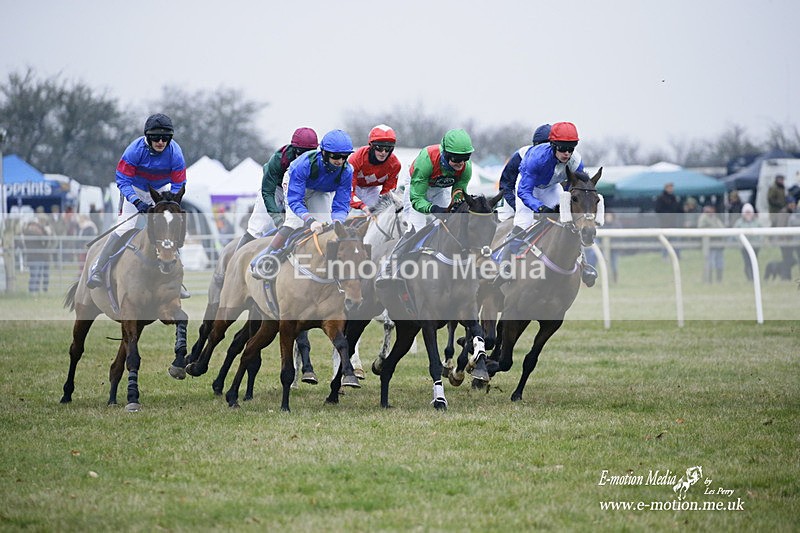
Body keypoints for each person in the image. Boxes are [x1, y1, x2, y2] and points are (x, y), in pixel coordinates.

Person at [86, 113, 186, 289]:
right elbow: (122, 180)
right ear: (148, 137)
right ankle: (98, 269)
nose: (161, 142)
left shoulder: (175, 153)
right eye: (156, 137)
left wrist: (172, 201)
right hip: (135, 190)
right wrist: (136, 201)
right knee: (125, 227)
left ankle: (177, 281)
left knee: (169, 229)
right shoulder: (134, 151)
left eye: (165, 138)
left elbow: (179, 182)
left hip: (161, 191)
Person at [250, 129, 355, 279]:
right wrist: (309, 220)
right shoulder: (304, 164)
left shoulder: (347, 171)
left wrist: (338, 222)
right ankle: (265, 258)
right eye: (336, 156)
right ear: (324, 153)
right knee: (295, 223)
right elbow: (295, 200)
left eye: (345, 156)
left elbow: (341, 205)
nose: (340, 161)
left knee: (327, 225)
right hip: (295, 185)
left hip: (319, 190)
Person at [506, 121, 596, 286]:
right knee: (524, 222)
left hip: (551, 187)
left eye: (571, 148)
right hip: (528, 187)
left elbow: (576, 188)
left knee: (568, 220)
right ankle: (506, 264)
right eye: (562, 148)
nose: (566, 153)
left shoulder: (576, 162)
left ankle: (584, 264)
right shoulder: (536, 159)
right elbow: (524, 192)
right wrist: (540, 208)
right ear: (553, 145)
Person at [234, 127, 319, 252]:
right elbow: (267, 192)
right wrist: (277, 219)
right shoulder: (278, 160)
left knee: (309, 225)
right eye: (302, 153)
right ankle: (235, 261)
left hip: (300, 190)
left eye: (310, 153)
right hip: (276, 190)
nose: (305, 158)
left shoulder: (320, 161)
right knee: (257, 228)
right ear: (294, 149)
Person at [402, 128, 474, 232]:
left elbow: (458, 196)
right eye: (456, 158)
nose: (461, 163)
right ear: (445, 154)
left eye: (466, 157)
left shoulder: (466, 168)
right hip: (416, 187)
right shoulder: (427, 160)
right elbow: (417, 199)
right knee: (416, 229)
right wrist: (433, 208)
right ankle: (401, 247)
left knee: (448, 227)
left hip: (440, 189)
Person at [498, 123, 551, 221]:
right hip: (513, 197)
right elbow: (505, 187)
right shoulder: (520, 156)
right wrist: (517, 206)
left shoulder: (559, 158)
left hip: (538, 194)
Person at [349, 124, 401, 215]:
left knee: (381, 213)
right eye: (379, 148)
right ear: (371, 146)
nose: (383, 153)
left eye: (388, 149)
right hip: (354, 188)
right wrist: (362, 206)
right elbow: (347, 192)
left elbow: (386, 194)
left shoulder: (395, 165)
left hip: (371, 190)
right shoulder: (356, 159)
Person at [733, 203, 765, 281]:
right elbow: (735, 234)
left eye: (749, 212)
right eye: (746, 212)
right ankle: (750, 278)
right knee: (747, 262)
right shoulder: (739, 222)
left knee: (754, 262)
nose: (748, 214)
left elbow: (762, 234)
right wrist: (741, 241)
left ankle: (755, 278)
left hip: (755, 246)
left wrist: (759, 241)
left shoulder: (757, 222)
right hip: (744, 247)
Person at [697, 204, 725, 283]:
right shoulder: (703, 218)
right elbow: (701, 227)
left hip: (718, 243)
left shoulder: (715, 218)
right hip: (709, 243)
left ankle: (719, 280)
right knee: (710, 262)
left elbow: (722, 228)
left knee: (720, 262)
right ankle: (709, 280)